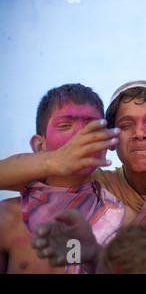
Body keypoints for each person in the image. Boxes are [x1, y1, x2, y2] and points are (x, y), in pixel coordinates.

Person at [0, 80, 146, 245]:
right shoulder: (89, 185)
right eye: (126, 125)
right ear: (110, 140)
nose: (140, 134)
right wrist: (56, 159)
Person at [0, 83, 134, 274]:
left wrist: (94, 258)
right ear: (39, 146)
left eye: (91, 127)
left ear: (106, 144)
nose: (80, 136)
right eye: (64, 125)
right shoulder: (6, 217)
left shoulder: (123, 220)